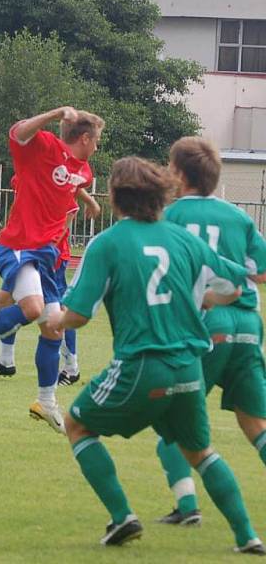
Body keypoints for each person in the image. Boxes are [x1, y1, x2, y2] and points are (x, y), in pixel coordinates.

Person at [47, 156, 264, 553]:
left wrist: (56, 321)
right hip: (189, 367)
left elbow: (78, 314)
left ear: (115, 197)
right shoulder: (184, 240)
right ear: (161, 195)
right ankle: (247, 536)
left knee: (78, 426)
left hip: (143, 363)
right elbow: (238, 283)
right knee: (201, 452)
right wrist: (204, 299)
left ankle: (122, 516)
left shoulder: (107, 243)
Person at [0, 106, 104, 434]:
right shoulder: (42, 146)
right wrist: (56, 113)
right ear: (84, 138)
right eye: (96, 141)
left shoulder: (84, 172)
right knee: (31, 308)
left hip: (50, 257)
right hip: (20, 245)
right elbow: (18, 131)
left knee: (54, 326)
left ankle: (46, 401)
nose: (97, 146)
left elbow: (71, 180)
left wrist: (88, 201)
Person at [153, 137, 266, 527]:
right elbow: (261, 272)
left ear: (180, 174)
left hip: (207, 322)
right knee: (255, 424)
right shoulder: (238, 217)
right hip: (249, 325)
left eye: (170, 166)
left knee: (171, 414)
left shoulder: (170, 217)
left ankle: (187, 508)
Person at [0, 187, 100, 385]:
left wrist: (47, 248)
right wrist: (91, 201)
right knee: (4, 301)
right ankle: (5, 360)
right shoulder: (29, 172)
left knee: (57, 311)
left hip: (47, 257)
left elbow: (69, 210)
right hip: (26, 251)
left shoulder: (47, 174)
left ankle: (71, 367)